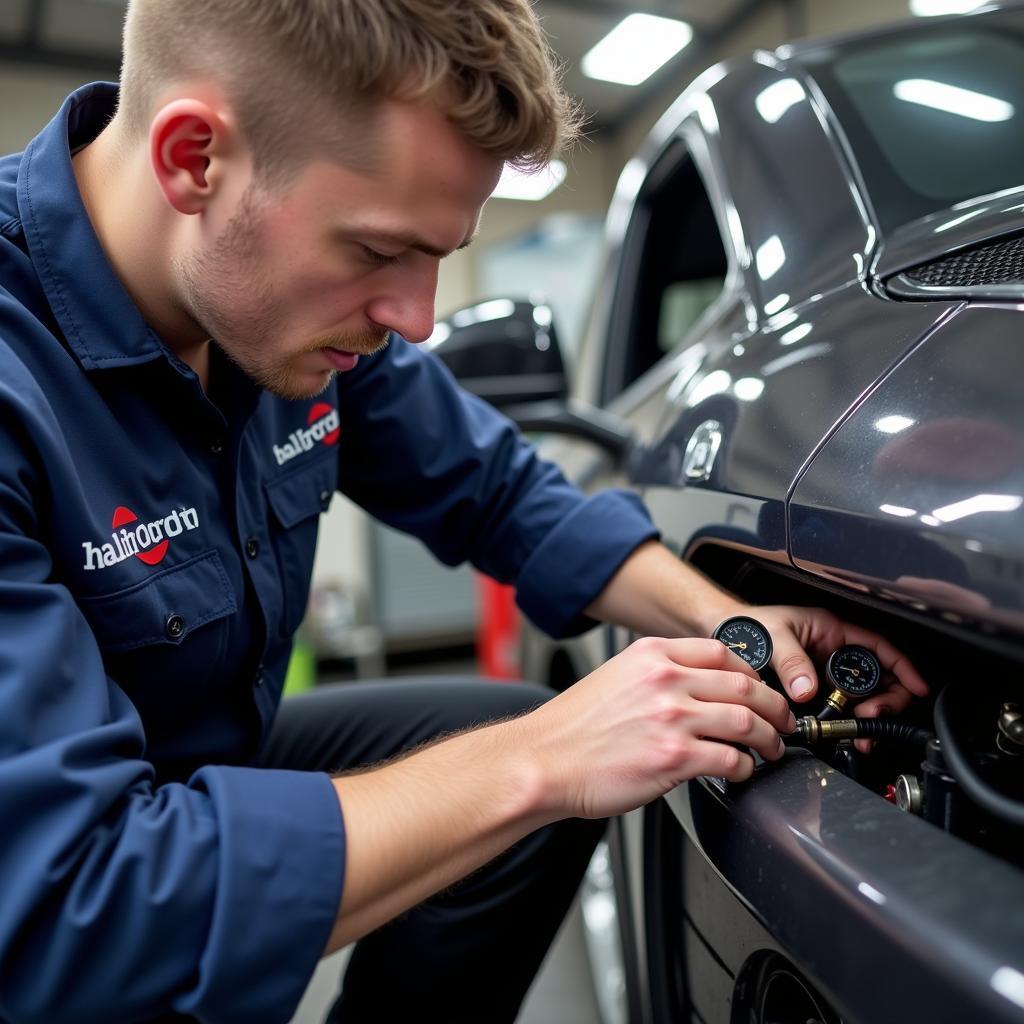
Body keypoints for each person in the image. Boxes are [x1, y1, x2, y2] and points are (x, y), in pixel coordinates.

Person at [0, 1, 929, 1021]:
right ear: (193, 159)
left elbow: (499, 490)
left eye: (440, 253)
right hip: (65, 882)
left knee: (515, 761)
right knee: (528, 763)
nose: (418, 317)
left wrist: (724, 621)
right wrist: (549, 759)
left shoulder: (280, 304)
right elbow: (71, 909)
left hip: (206, 755)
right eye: (376, 251)